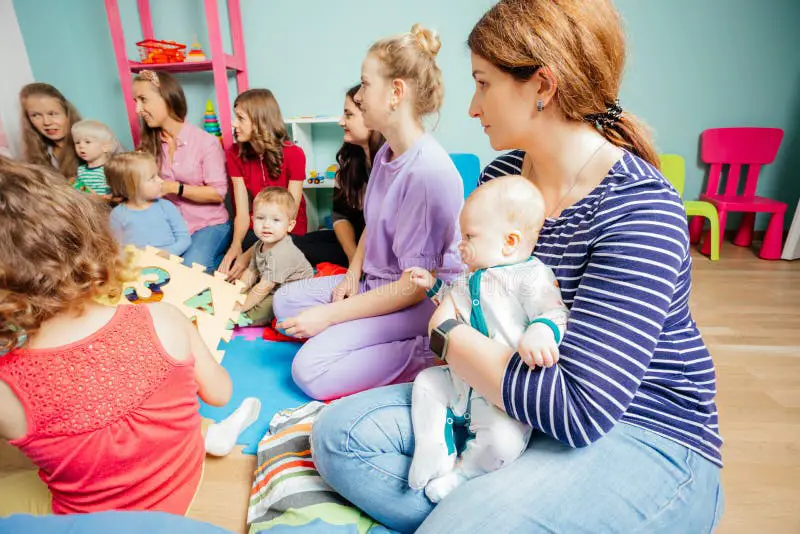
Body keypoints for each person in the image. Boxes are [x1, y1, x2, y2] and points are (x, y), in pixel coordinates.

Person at [309, 2, 724, 532]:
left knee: (458, 523)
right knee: (337, 436)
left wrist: (448, 337)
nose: (472, 107)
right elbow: (475, 291)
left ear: (542, 86)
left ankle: (479, 507)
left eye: (483, 83)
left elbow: (580, 409)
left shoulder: (639, 210)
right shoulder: (504, 174)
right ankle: (486, 497)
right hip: (511, 399)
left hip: (639, 427)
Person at [0, 157, 232, 516]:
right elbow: (220, 393)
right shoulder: (162, 317)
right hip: (185, 488)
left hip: (92, 520)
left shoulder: (7, 386)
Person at [273, 24, 463, 401]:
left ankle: (433, 354)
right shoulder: (385, 154)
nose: (358, 96)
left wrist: (329, 317)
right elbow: (372, 228)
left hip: (419, 300)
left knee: (310, 370)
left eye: (364, 84)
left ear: (395, 92)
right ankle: (352, 335)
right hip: (375, 282)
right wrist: (351, 277)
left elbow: (413, 287)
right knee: (285, 302)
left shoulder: (427, 172)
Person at [405, 176, 568, 504]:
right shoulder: (471, 277)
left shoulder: (530, 275)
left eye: (469, 236)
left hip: (500, 390)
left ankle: (464, 474)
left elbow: (553, 311)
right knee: (426, 384)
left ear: (509, 241)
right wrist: (434, 287)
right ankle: (434, 445)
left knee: (503, 443)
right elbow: (455, 303)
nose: (460, 245)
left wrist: (539, 332)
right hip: (461, 377)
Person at [133, 70, 230, 271]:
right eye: (136, 101)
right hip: (172, 228)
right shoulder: (148, 145)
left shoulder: (206, 143)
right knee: (151, 268)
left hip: (208, 225)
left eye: (143, 100)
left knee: (188, 269)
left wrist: (173, 188)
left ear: (166, 98)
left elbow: (218, 193)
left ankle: (221, 260)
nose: (138, 109)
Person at [292, 85, 386, 267]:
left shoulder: (391, 164)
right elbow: (339, 215)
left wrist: (357, 262)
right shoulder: (351, 162)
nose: (341, 122)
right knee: (292, 244)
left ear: (371, 117)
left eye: (349, 115)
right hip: (357, 244)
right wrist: (352, 256)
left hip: (381, 251)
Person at [219, 89, 308, 279]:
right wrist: (236, 246)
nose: (234, 124)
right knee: (233, 263)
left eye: (240, 118)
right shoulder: (234, 153)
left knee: (259, 264)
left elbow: (287, 215)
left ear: (259, 120)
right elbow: (242, 214)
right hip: (258, 225)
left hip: (287, 228)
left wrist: (246, 257)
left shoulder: (295, 154)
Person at [238, 187, 314, 327]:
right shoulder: (259, 245)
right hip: (273, 285)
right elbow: (251, 272)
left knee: (266, 308)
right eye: (260, 218)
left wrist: (239, 308)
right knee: (244, 294)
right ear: (252, 219)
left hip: (292, 293)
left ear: (290, 225)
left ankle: (241, 319)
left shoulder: (282, 252)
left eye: (276, 220)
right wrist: (236, 293)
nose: (266, 225)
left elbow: (265, 287)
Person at [107, 151, 192, 257]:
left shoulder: (166, 206)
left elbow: (184, 239)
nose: (161, 181)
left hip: (171, 262)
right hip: (138, 266)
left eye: (158, 175)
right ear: (130, 186)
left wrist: (169, 253)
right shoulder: (118, 215)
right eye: (152, 178)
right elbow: (116, 247)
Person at [19, 82, 81, 177]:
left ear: (67, 113)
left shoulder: (96, 144)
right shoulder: (40, 155)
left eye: (52, 114)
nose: (46, 122)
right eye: (36, 115)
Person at [70, 119, 120, 196]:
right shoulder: (80, 170)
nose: (81, 146)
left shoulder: (110, 169)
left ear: (105, 147)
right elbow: (81, 192)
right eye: (77, 142)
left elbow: (116, 193)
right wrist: (74, 184)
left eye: (87, 142)